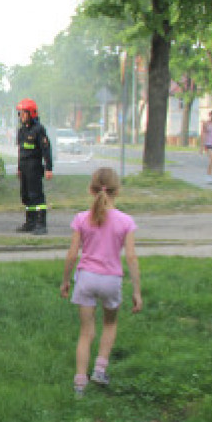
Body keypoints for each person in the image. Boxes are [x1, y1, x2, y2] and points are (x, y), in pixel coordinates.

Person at [60, 167, 142, 398]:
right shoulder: (126, 221)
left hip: (85, 278)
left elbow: (72, 254)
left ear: (90, 189)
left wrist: (66, 281)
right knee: (110, 324)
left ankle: (79, 384)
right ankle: (100, 369)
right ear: (118, 191)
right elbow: (132, 257)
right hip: (111, 280)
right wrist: (137, 291)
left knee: (86, 332)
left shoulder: (81, 219)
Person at [15, 99, 53, 235]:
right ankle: (30, 223)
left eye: (23, 113)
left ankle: (41, 224)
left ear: (31, 113)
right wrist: (19, 168)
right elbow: (21, 150)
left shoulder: (39, 130)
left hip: (34, 166)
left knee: (36, 196)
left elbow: (46, 150)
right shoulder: (22, 131)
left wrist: (49, 168)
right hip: (24, 167)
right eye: (20, 113)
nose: (21, 116)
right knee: (26, 196)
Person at [200, 109, 212, 184]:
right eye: (211, 115)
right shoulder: (206, 124)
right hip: (208, 143)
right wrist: (201, 147)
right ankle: (208, 176)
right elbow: (203, 134)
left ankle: (209, 175)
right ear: (209, 115)